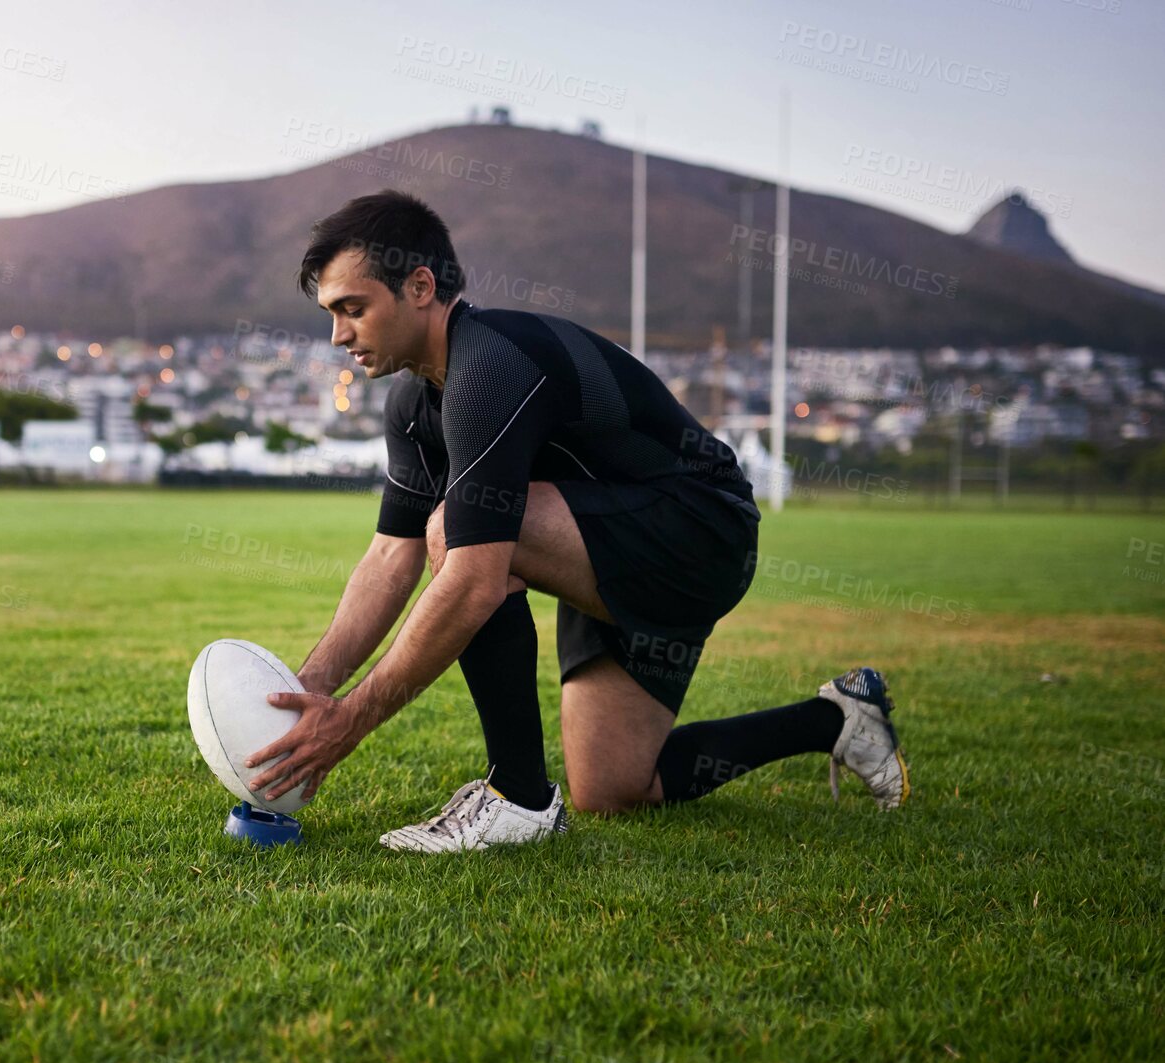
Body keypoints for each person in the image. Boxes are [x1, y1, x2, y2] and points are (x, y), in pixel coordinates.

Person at [246, 190, 910, 852]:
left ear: (419, 286)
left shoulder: (490, 364)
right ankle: (835, 717)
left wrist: (350, 722)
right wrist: (307, 693)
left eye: (351, 309)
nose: (338, 335)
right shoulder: (413, 404)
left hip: (700, 535)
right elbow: (389, 557)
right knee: (614, 788)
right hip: (600, 549)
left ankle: (518, 798)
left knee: (461, 531)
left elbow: (475, 580)